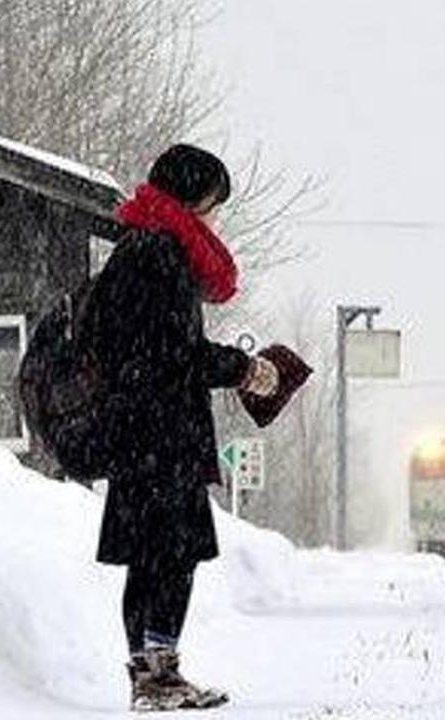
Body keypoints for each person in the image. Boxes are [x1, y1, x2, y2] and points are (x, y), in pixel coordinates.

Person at [83, 144, 279, 712]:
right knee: (171, 558)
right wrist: (244, 369)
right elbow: (174, 353)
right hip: (162, 438)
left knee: (150, 559)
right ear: (192, 199)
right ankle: (160, 679)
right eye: (212, 206)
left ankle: (150, 677)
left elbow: (143, 349)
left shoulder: (135, 249)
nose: (214, 220)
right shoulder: (162, 254)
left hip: (136, 436)